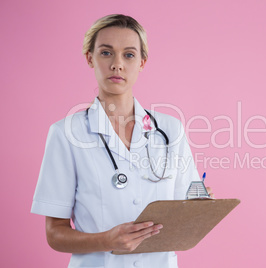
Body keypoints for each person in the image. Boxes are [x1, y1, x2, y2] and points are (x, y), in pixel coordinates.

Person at [31, 14, 212, 268]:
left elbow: (191, 204)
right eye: (106, 53)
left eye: (129, 54)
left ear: (142, 63)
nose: (117, 64)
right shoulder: (66, 134)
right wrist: (106, 240)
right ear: (89, 58)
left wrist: (201, 207)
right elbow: (55, 234)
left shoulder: (171, 130)